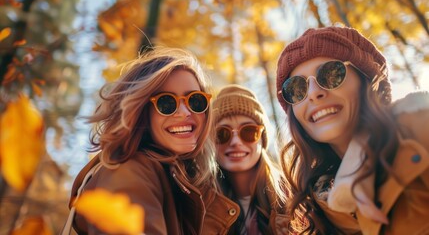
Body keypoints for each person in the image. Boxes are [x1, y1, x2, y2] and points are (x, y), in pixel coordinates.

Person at [68, 47, 239, 234]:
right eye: (167, 103)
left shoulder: (181, 180)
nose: (185, 112)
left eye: (195, 100)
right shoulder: (130, 170)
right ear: (141, 111)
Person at [275, 26, 429, 234]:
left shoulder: (421, 134)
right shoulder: (320, 209)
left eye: (330, 73)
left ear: (365, 80)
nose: (313, 93)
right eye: (296, 88)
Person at [212, 84, 289, 235]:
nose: (235, 142)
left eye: (248, 131)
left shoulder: (295, 196)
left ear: (262, 139)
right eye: (222, 133)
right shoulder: (196, 206)